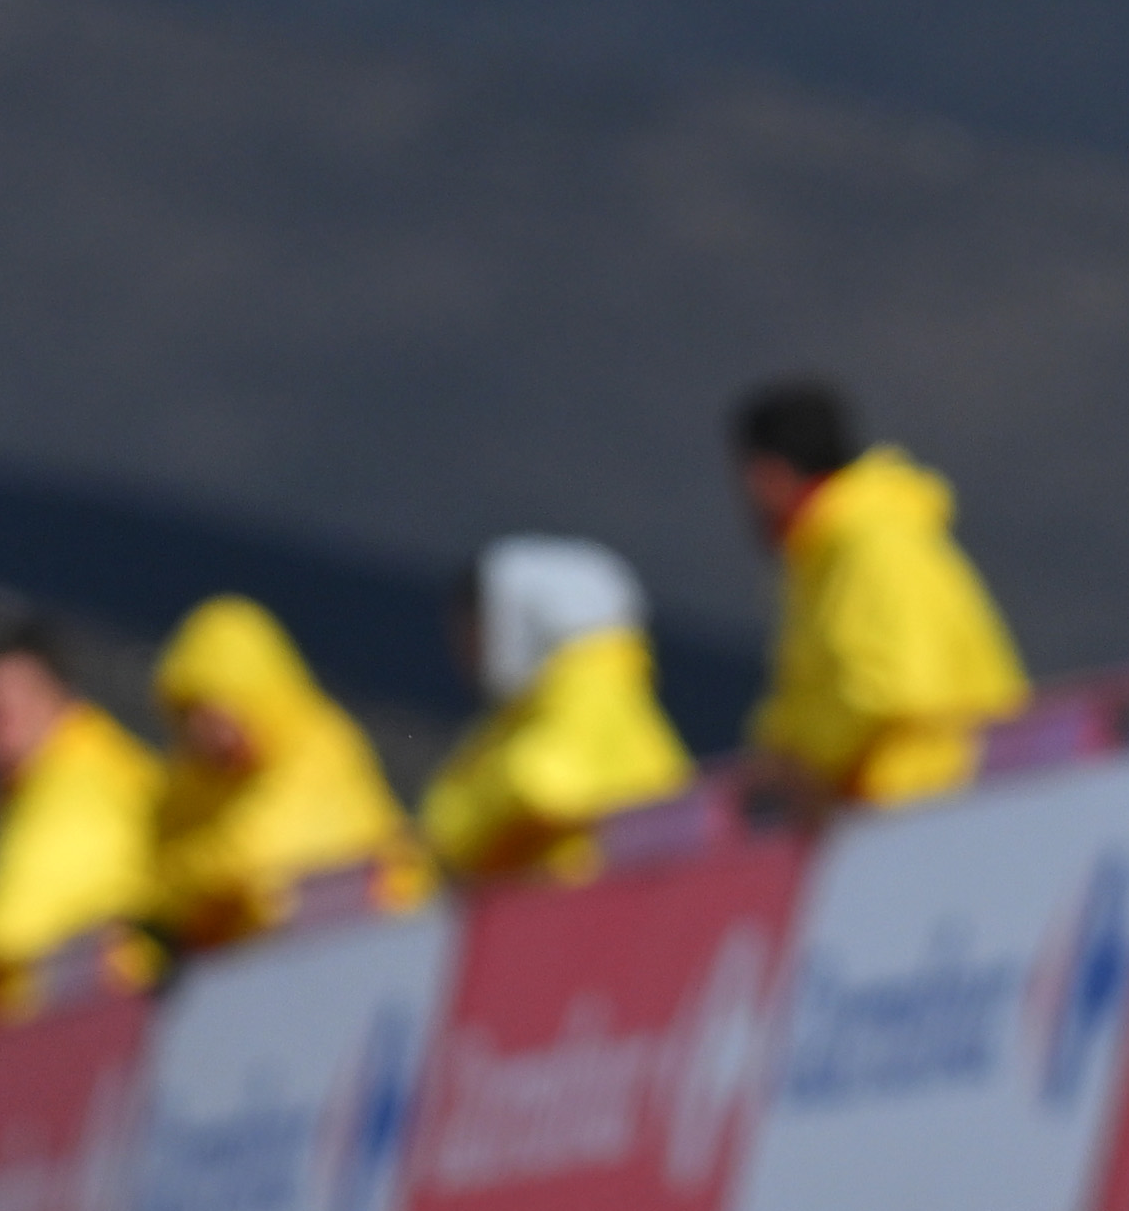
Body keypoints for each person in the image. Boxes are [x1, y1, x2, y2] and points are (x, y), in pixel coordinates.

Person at [732, 377, 1025, 812]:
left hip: (936, 806)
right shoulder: (835, 546)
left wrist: (801, 765)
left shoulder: (868, 541)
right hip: (928, 807)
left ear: (769, 474)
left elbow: (887, 685)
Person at [0, 611, 168, 1028]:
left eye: (10, 704)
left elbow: (5, 934)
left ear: (61, 697)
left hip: (119, 1018)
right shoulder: (53, 780)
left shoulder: (79, 779)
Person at [143, 595, 422, 952]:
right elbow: (150, 872)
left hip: (377, 938)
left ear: (258, 699)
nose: (207, 737)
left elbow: (264, 854)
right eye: (188, 718)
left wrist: (190, 886)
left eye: (217, 717)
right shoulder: (192, 778)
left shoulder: (320, 743)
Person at [417, 536, 690, 883]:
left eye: (475, 626)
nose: (463, 650)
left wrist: (450, 835)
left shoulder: (593, 694)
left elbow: (539, 787)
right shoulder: (524, 712)